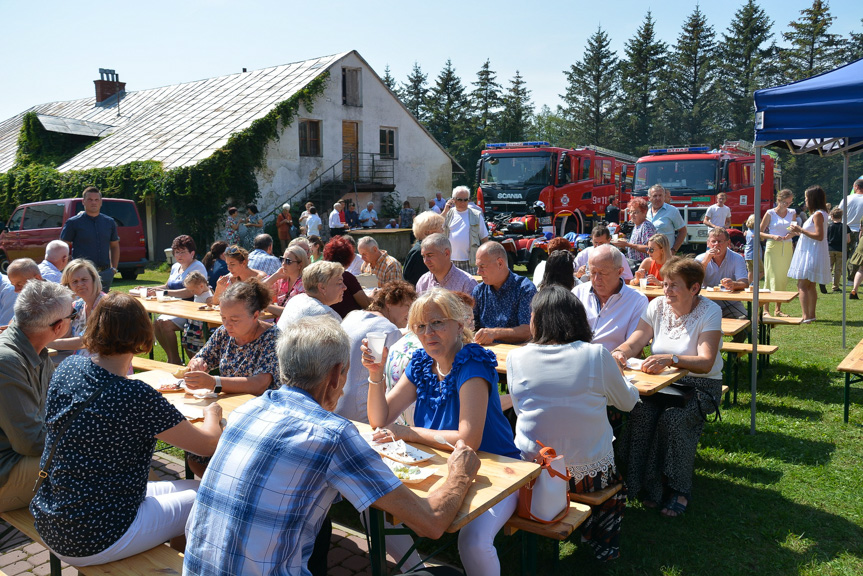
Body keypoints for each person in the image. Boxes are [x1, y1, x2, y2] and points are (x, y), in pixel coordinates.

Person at [183, 316, 479, 576]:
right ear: (336, 375)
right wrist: (460, 474)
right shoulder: (332, 434)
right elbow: (431, 523)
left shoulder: (247, 411)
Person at [31, 292, 223, 566]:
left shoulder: (68, 368)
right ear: (142, 335)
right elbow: (207, 444)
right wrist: (212, 414)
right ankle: (182, 566)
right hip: (95, 536)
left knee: (194, 486)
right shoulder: (135, 394)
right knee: (209, 496)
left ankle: (173, 556)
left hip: (52, 516)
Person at [365, 288, 520, 576]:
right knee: (372, 506)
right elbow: (380, 419)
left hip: (497, 470)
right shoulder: (423, 362)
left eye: (437, 323)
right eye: (421, 326)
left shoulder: (472, 362)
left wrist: (407, 432)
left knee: (473, 542)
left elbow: (468, 440)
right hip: (438, 466)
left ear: (459, 325)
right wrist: (376, 375)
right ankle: (417, 571)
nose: (428, 333)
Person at [508, 287, 638, 561]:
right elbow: (627, 403)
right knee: (610, 436)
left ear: (538, 320)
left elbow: (521, 411)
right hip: (586, 478)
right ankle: (600, 542)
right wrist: (625, 381)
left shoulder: (515, 358)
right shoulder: (596, 355)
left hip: (535, 470)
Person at [613, 257, 723, 518]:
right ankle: (640, 483)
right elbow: (636, 340)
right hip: (661, 386)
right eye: (665, 284)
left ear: (694, 288)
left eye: (674, 286)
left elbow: (706, 362)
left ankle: (678, 489)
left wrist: (671, 359)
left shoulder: (710, 311)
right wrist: (620, 353)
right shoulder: (657, 306)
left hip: (699, 386)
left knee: (673, 420)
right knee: (640, 413)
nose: (666, 291)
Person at [0, 281, 73, 512]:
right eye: (74, 313)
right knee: (105, 467)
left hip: (16, 459)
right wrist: (88, 439)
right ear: (59, 327)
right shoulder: (7, 361)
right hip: (7, 469)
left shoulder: (33, 349)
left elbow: (61, 402)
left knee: (119, 465)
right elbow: (30, 441)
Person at [337, 281, 417, 422]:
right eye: (407, 306)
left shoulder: (353, 315)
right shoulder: (389, 330)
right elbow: (393, 381)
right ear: (389, 303)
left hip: (333, 404)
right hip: (363, 415)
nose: (410, 313)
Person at [573, 245, 649, 352]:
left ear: (619, 272)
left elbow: (634, 345)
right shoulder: (578, 293)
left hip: (612, 363)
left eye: (603, 273)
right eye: (592, 272)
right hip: (577, 360)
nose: (596, 279)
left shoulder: (636, 301)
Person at [147, 235, 208, 364]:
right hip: (175, 306)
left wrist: (165, 292)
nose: (179, 255)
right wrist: (150, 288)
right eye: (176, 252)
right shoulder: (176, 267)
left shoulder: (198, 267)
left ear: (192, 253)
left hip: (193, 309)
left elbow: (188, 292)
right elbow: (168, 285)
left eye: (183, 252)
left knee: (164, 323)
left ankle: (174, 360)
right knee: (156, 323)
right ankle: (173, 357)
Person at [472, 241, 537, 345]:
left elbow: (528, 331)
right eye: (477, 266)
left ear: (500, 263)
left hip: (515, 354)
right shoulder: (479, 291)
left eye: (482, 266)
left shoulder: (524, 289)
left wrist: (494, 333)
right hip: (485, 354)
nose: (478, 272)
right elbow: (472, 325)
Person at [59, 186, 120, 291]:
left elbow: (114, 246)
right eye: (90, 200)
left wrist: (113, 269)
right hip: (81, 275)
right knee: (82, 305)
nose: (94, 202)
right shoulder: (73, 223)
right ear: (83, 202)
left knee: (102, 305)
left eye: (96, 200)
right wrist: (67, 269)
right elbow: (62, 247)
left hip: (104, 274)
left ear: (101, 202)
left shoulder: (109, 222)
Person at [788, 185, 830, 323]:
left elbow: (819, 235)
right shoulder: (820, 213)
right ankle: (811, 315)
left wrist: (801, 230)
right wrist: (799, 231)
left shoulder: (818, 214)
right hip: (812, 251)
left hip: (812, 253)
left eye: (806, 198)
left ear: (812, 199)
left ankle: (806, 316)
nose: (805, 201)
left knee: (802, 285)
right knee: (810, 285)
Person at [50, 259, 104, 358]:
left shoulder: (106, 305)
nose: (79, 284)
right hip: (82, 362)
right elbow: (65, 333)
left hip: (106, 365)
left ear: (94, 279)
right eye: (74, 281)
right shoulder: (77, 306)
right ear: (69, 286)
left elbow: (87, 341)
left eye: (84, 279)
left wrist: (47, 343)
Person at [695, 228, 749, 321]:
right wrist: (705, 262)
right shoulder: (700, 259)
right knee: (695, 321)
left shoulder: (737, 258)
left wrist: (734, 284)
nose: (716, 244)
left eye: (720, 241)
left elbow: (744, 282)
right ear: (708, 243)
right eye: (713, 241)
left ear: (728, 243)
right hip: (706, 303)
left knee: (744, 320)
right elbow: (693, 281)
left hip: (731, 303)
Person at [760, 188, 797, 316]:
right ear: (779, 200)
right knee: (770, 277)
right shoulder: (770, 213)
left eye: (790, 202)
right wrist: (772, 236)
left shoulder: (792, 213)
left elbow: (795, 230)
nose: (788, 205)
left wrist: (790, 235)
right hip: (772, 247)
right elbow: (759, 232)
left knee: (782, 278)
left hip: (786, 248)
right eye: (786, 202)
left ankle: (778, 309)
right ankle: (765, 310)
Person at [277, 261, 345, 328]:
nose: (345, 287)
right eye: (339, 283)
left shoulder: (296, 299)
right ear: (322, 287)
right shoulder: (326, 315)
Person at [442, 186, 489, 274]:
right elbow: (437, 229)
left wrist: (485, 259)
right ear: (453, 200)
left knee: (471, 287)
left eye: (466, 199)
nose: (463, 202)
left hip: (471, 262)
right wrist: (445, 211)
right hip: (450, 262)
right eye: (460, 199)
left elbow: (484, 239)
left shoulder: (476, 215)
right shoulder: (448, 214)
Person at [323, 236, 372, 318]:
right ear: (348, 257)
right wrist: (372, 297)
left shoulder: (321, 276)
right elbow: (366, 304)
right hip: (351, 321)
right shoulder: (346, 277)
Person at [263, 244, 309, 317]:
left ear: (299, 265)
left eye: (288, 261)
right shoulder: (282, 280)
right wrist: (275, 276)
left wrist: (266, 306)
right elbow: (258, 290)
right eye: (282, 259)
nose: (283, 264)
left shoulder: (305, 285)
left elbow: (292, 313)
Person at [403, 211, 445, 286]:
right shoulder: (420, 252)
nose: (443, 231)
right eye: (440, 228)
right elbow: (415, 283)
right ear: (429, 232)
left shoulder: (426, 248)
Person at [613, 196, 656, 268]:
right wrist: (622, 244)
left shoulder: (646, 226)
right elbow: (634, 247)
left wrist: (628, 244)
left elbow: (650, 249)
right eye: (630, 212)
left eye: (635, 212)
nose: (632, 215)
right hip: (634, 265)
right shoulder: (637, 226)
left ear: (644, 212)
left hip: (644, 267)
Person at [178, 271, 213, 358]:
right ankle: (191, 361)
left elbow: (211, 313)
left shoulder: (208, 297)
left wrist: (206, 328)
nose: (192, 293)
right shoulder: (199, 292)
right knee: (186, 343)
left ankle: (196, 363)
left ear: (201, 286)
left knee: (198, 348)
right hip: (193, 323)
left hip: (201, 326)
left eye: (193, 290)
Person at [646, 184, 686, 255]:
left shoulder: (673, 211)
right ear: (649, 198)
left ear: (664, 197)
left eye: (660, 195)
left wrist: (673, 250)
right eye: (655, 196)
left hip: (665, 255)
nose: (658, 198)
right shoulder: (645, 211)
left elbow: (683, 231)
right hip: (647, 254)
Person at [838, 178, 863, 279]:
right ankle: (851, 277)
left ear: (856, 186)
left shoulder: (847, 198)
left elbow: (838, 212)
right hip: (859, 231)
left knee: (841, 255)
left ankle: (837, 276)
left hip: (845, 229)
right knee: (855, 256)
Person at [828, 208, 851, 293]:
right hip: (841, 250)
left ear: (832, 216)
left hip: (830, 249)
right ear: (841, 217)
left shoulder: (829, 226)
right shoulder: (845, 227)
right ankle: (835, 286)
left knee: (829, 267)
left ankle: (823, 281)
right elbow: (848, 240)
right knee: (838, 269)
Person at [743, 214, 763, 285]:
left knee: (750, 271)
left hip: (747, 253)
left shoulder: (748, 231)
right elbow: (762, 238)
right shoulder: (756, 231)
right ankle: (754, 283)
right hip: (755, 253)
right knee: (762, 271)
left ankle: (749, 285)